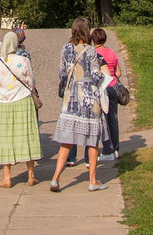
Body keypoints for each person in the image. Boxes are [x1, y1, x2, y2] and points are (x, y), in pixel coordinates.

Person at [50, 17, 108, 192]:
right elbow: (96, 75)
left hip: (70, 97)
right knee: (92, 141)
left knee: (66, 140)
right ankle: (92, 180)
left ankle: (55, 178)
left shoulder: (66, 48)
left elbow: (62, 72)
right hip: (88, 98)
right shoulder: (90, 51)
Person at [0, 31, 41, 188]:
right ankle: (31, 175)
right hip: (23, 101)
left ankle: (7, 178)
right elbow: (31, 81)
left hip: (4, 103)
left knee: (5, 139)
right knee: (26, 136)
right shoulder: (24, 60)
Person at [92, 28, 121, 160]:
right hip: (113, 86)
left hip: (103, 88)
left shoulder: (94, 54)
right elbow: (118, 72)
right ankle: (116, 147)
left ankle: (107, 148)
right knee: (113, 119)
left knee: (103, 120)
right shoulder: (112, 53)